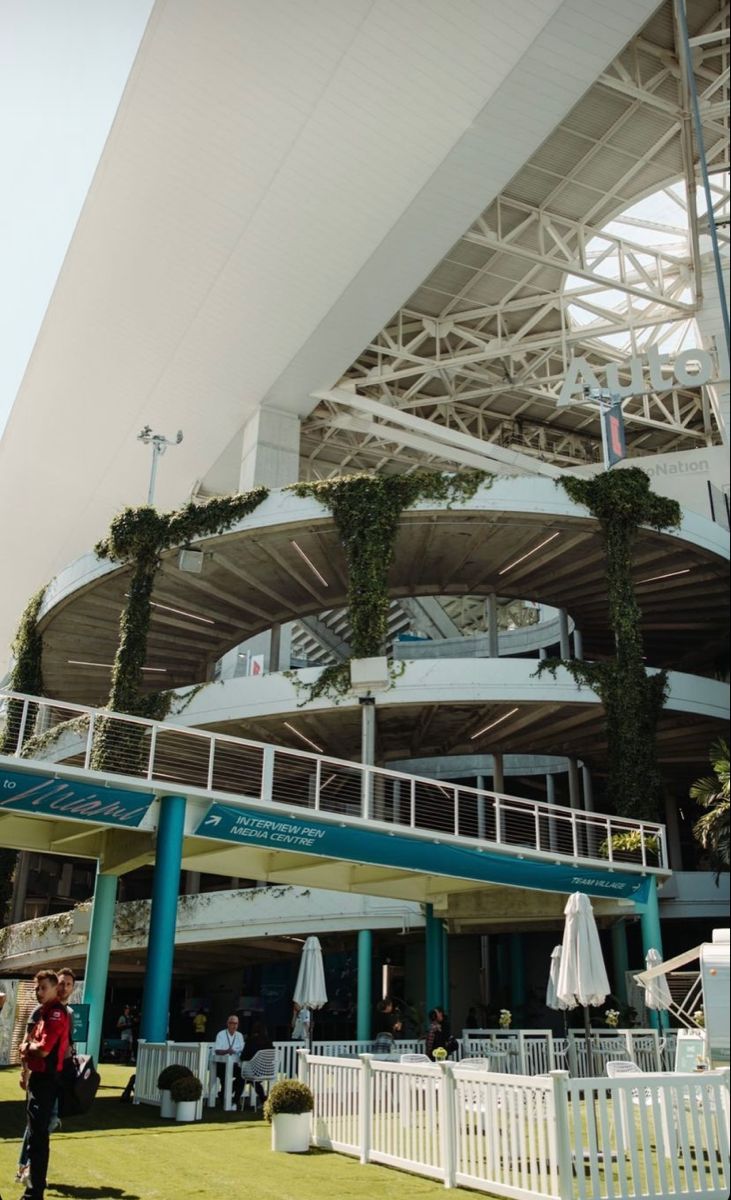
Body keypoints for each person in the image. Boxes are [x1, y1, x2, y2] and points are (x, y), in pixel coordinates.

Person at [18, 969, 71, 1200]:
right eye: (37, 988)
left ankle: (34, 1193)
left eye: (43, 988)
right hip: (40, 1080)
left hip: (47, 1081)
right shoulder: (45, 1013)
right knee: (35, 1135)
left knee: (38, 1137)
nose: (39, 992)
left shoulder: (55, 1014)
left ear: (54, 988)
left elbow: (43, 1048)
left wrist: (26, 1048)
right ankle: (31, 1186)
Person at [240, 1020, 274, 1106]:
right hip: (267, 1071)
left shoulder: (250, 1041)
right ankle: (263, 1099)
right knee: (252, 1081)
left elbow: (243, 1057)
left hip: (254, 1071)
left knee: (241, 1079)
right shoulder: (268, 1043)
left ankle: (231, 1099)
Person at [213, 1014, 244, 1107]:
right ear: (228, 1024)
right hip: (221, 1064)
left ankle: (235, 1101)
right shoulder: (221, 1034)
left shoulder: (239, 1035)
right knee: (224, 1078)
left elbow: (241, 1049)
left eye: (236, 1023)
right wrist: (227, 1051)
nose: (234, 1025)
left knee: (242, 1077)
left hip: (234, 1064)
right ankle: (223, 1099)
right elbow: (217, 1050)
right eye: (232, 1023)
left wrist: (234, 1051)